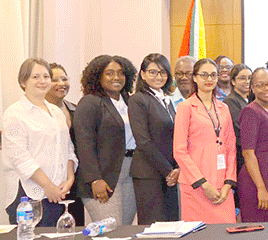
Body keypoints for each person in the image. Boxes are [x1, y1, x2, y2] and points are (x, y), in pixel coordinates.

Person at [3, 58, 77, 226]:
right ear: (23, 82)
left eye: (46, 76)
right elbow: (20, 157)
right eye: (35, 77)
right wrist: (47, 186)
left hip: (58, 193)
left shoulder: (56, 112)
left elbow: (68, 148)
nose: (42, 81)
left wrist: (69, 179)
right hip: (27, 193)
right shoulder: (15, 113)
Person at [73, 55, 138, 224]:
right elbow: (84, 143)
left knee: (125, 228)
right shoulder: (90, 102)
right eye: (109, 73)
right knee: (111, 228)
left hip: (130, 171)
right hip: (103, 175)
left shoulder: (130, 102)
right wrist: (95, 179)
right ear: (98, 76)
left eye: (121, 73)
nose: (116, 77)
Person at [173, 58, 237, 223]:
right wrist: (203, 184)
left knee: (225, 234)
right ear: (194, 77)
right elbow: (179, 151)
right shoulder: (186, 107)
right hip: (196, 186)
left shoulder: (224, 108)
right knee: (198, 239)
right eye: (204, 75)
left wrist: (228, 183)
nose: (209, 79)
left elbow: (230, 147)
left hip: (222, 186)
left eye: (213, 75)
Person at [128, 53, 180, 223]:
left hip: (170, 173)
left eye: (163, 72)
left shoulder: (167, 100)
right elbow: (143, 141)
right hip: (149, 173)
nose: (158, 77)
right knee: (154, 226)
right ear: (142, 74)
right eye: (152, 72)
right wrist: (168, 170)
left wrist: (176, 168)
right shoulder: (138, 100)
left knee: (171, 224)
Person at [237, 68, 268, 223]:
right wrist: (261, 188)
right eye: (260, 85)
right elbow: (248, 153)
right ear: (252, 88)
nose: (267, 88)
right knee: (257, 235)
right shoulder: (250, 112)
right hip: (257, 185)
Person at [45, 62, 84, 225]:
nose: (61, 84)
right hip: (48, 181)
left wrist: (71, 178)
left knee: (75, 228)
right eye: (55, 80)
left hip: (74, 180)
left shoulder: (76, 109)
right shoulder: (37, 113)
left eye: (64, 79)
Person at [223, 63, 251, 176]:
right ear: (233, 81)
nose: (247, 81)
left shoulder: (250, 100)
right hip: (240, 154)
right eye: (242, 78)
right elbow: (239, 127)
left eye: (250, 78)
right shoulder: (231, 101)